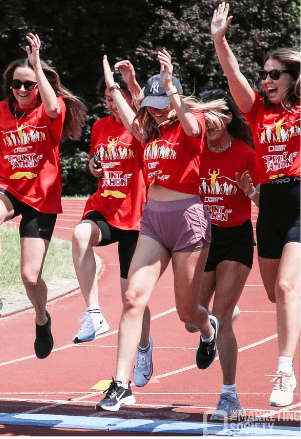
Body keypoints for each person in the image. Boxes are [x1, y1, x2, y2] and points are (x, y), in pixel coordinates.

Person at [95, 51, 218, 412]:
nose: (159, 109)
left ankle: (207, 327)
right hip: (153, 221)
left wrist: (172, 91)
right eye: (153, 104)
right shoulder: (147, 130)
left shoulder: (189, 120)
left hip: (189, 219)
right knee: (133, 298)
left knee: (186, 315)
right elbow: (126, 109)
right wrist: (112, 85)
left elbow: (194, 128)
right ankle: (121, 384)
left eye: (163, 102)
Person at [0, 33, 87, 358]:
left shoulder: (49, 112)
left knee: (30, 277)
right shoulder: (1, 111)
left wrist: (36, 64)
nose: (24, 90)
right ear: (10, 87)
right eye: (18, 84)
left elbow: (55, 104)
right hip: (8, 186)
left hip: (41, 197)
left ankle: (42, 319)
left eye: (29, 84)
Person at [211, 2, 300, 407]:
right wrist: (219, 40)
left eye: (274, 74)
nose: (266, 80)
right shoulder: (258, 111)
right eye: (263, 73)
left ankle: (284, 370)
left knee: (286, 287)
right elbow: (234, 77)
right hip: (270, 207)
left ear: (292, 78)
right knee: (273, 294)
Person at [72, 62, 153, 388]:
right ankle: (93, 315)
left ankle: (144, 346)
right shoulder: (101, 126)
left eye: (114, 96)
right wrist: (94, 167)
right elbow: (98, 167)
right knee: (79, 234)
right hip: (105, 209)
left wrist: (126, 82)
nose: (110, 102)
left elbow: (137, 99)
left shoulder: (141, 126)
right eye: (106, 97)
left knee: (131, 297)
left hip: (135, 216)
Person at [182, 90, 259, 420]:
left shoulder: (245, 154)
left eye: (215, 114)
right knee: (189, 319)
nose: (208, 120)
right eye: (204, 114)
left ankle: (230, 397)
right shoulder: (193, 151)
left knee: (222, 314)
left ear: (228, 118)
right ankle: (207, 330)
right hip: (203, 240)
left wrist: (252, 192)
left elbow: (265, 206)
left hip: (236, 240)